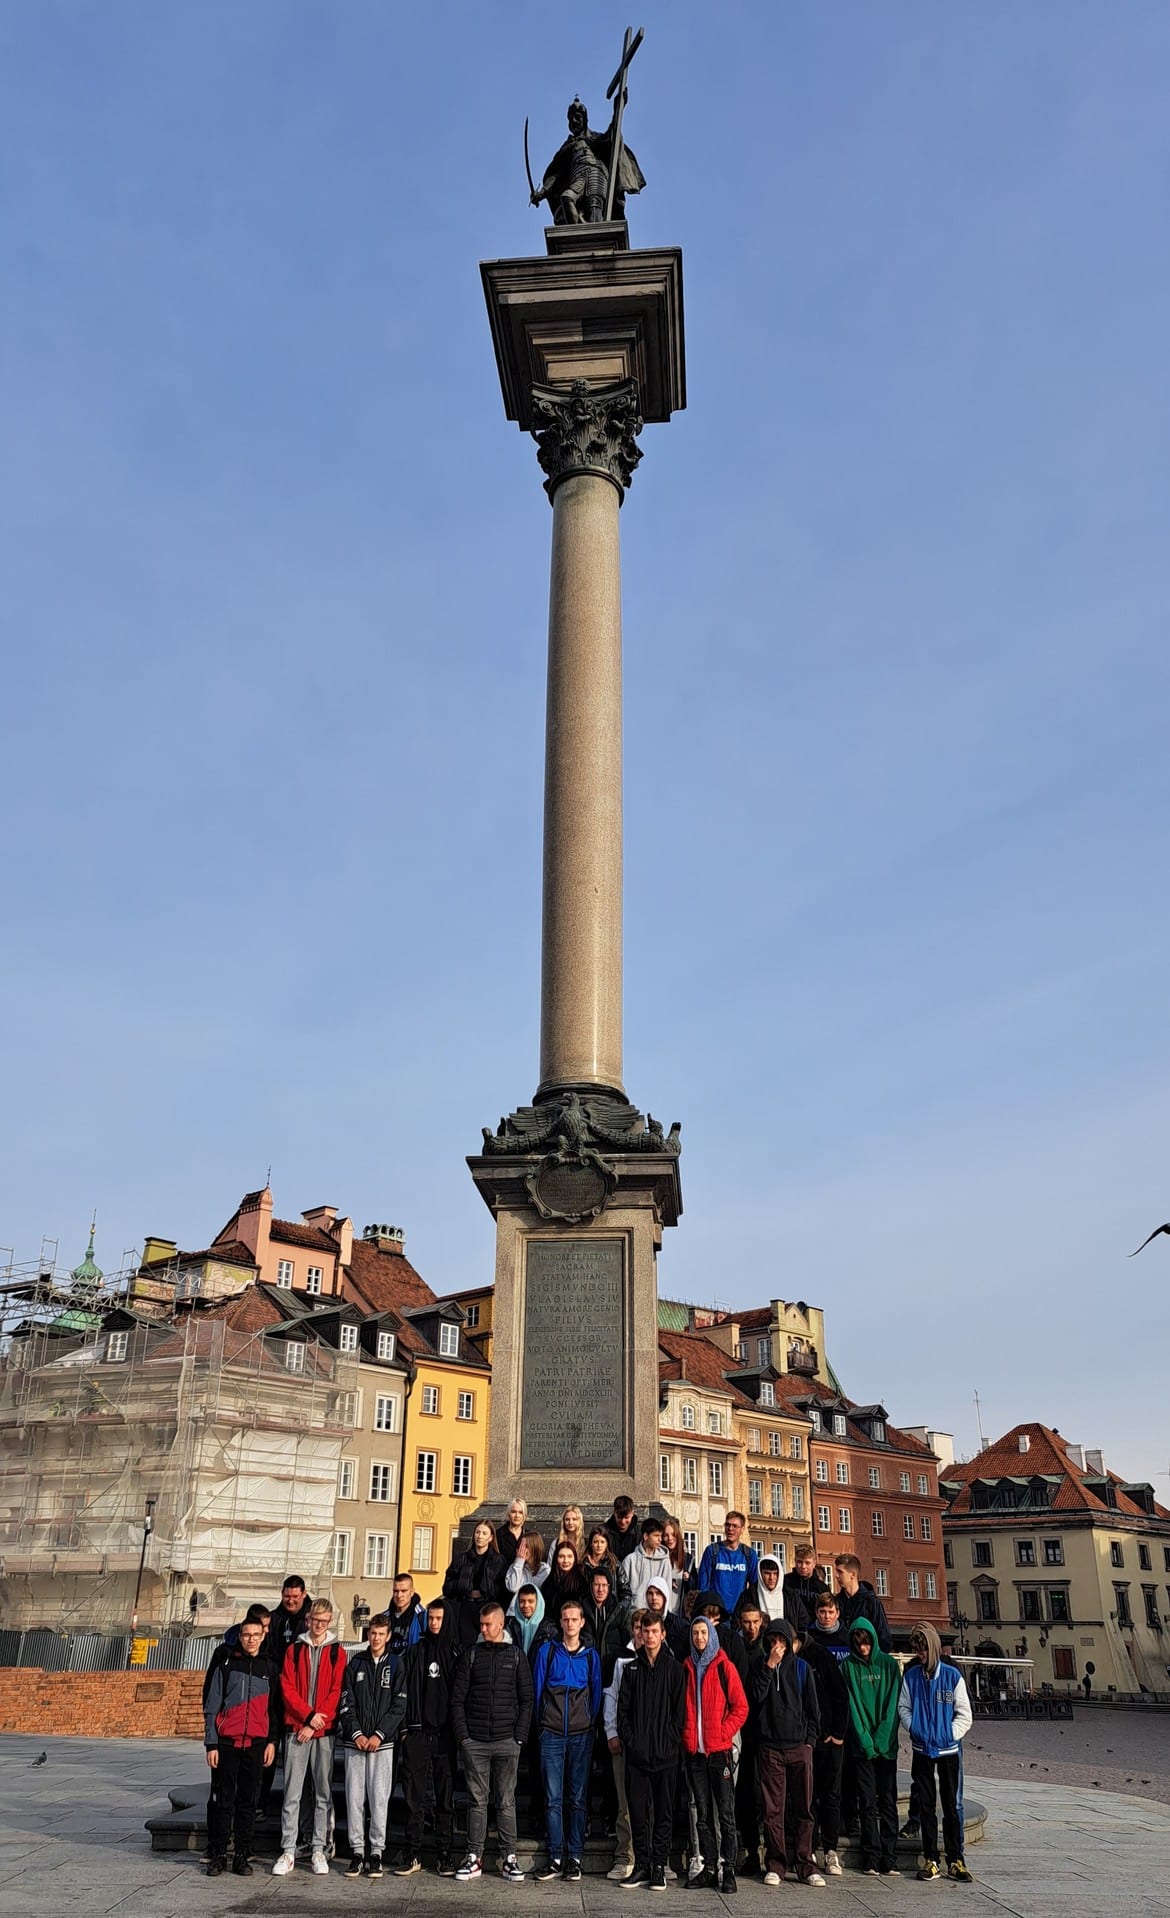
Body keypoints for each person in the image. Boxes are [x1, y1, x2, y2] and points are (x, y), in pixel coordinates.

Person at [450, 1600, 532, 1883]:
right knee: (477, 1801)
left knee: (506, 1801)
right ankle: (474, 1856)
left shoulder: (516, 1656)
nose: (483, 1629)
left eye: (488, 1624)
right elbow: (457, 1699)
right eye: (481, 1625)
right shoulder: (471, 1655)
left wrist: (519, 1737)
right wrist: (463, 1737)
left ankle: (510, 1858)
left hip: (507, 1740)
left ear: (500, 1624)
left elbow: (527, 1699)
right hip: (476, 1741)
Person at [273, 1599, 347, 1877]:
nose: (319, 1625)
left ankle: (319, 1848)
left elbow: (336, 1691)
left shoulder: (337, 1652)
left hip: (323, 1732)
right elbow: (287, 1688)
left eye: (324, 1621)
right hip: (297, 1728)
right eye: (315, 1620)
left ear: (329, 1622)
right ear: (308, 1619)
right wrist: (307, 1717)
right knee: (292, 1792)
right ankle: (288, 1849)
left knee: (322, 1793)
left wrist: (315, 1722)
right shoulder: (294, 1650)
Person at [203, 1615, 279, 1877]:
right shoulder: (226, 1664)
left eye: (256, 1635)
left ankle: (242, 1855)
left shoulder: (269, 1667)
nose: (251, 1639)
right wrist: (211, 1743)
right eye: (246, 1635)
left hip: (256, 1744)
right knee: (223, 1801)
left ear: (263, 1636)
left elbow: (274, 1709)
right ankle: (218, 1853)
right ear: (240, 1635)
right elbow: (212, 1705)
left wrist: (272, 1741)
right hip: (227, 1743)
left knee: (248, 1802)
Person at [533, 1599, 603, 1882]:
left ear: (582, 1622)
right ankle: (555, 1856)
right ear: (560, 1622)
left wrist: (587, 1722)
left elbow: (595, 1694)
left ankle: (574, 1856)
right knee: (552, 1799)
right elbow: (538, 1689)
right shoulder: (547, 1652)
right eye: (566, 1619)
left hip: (581, 1735)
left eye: (575, 1619)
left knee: (577, 1798)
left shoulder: (591, 1656)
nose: (570, 1623)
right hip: (551, 1733)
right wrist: (543, 1723)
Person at [898, 1622, 974, 1883]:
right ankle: (931, 1858)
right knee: (926, 1806)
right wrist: (915, 1728)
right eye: (916, 1651)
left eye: (922, 1650)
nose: (919, 1655)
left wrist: (948, 1734)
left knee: (951, 1806)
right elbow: (904, 1707)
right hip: (922, 1749)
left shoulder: (952, 1677)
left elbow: (964, 1714)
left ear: (932, 1648)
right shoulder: (912, 1677)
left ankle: (956, 1858)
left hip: (948, 1750)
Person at [617, 1611, 687, 1890]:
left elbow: (679, 1715)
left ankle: (659, 1865)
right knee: (637, 1812)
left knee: (663, 1813)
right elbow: (622, 1713)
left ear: (663, 1634)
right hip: (637, 1757)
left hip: (666, 1757)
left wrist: (668, 1742)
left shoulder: (675, 1670)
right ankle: (642, 1864)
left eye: (654, 1631)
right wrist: (632, 1742)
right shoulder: (631, 1670)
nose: (649, 1636)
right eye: (645, 1631)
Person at [753, 1618, 825, 1888]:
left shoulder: (802, 1668)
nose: (777, 1645)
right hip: (771, 1747)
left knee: (803, 1808)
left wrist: (809, 1742)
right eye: (772, 1640)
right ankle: (776, 1864)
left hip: (798, 1747)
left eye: (781, 1640)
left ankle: (806, 1864)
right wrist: (769, 1666)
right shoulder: (761, 1666)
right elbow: (755, 1698)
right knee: (773, 1810)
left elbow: (813, 1709)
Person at [681, 1612, 748, 1892]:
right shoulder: (686, 1667)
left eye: (704, 1633)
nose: (699, 1637)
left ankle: (727, 1869)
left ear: (711, 1635)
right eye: (695, 1633)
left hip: (719, 1752)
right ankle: (709, 1867)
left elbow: (740, 1707)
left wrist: (723, 1733)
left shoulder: (724, 1666)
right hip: (695, 1754)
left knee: (726, 1815)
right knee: (703, 1815)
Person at [336, 1612, 406, 1879]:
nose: (376, 1638)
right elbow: (346, 1702)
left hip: (382, 1745)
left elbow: (399, 1705)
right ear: (368, 1634)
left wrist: (378, 1734)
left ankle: (376, 1852)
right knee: (354, 1798)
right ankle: (357, 1852)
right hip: (355, 1743)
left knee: (379, 1799)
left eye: (380, 1634)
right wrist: (356, 1733)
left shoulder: (397, 1664)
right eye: (372, 1633)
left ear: (388, 1636)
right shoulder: (355, 1663)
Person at [398, 1596, 459, 1876]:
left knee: (445, 1797)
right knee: (415, 1796)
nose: (434, 1623)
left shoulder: (455, 1653)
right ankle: (413, 1852)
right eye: (431, 1618)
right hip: (417, 1732)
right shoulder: (415, 1652)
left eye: (439, 1619)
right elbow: (403, 1691)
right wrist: (405, 1730)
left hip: (445, 1735)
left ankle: (444, 1853)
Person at [841, 1619, 901, 1876]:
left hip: (886, 1747)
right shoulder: (847, 1667)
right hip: (862, 1747)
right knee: (866, 1802)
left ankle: (890, 1856)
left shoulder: (889, 1665)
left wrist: (882, 1738)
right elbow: (852, 1707)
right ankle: (871, 1856)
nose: (863, 1648)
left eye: (866, 1643)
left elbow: (894, 1705)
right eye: (858, 1644)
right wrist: (866, 1740)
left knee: (887, 1801)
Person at [798, 1604, 850, 1878]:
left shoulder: (820, 1655)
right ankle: (810, 1847)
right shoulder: (787, 1658)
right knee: (808, 1796)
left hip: (829, 1740)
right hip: (807, 1739)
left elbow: (840, 1695)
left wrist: (837, 1733)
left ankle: (830, 1850)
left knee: (830, 1795)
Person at [603, 1609, 645, 1882]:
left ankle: (652, 1857)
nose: (642, 1633)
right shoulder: (620, 1659)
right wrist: (611, 1731)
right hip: (623, 1739)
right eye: (638, 1627)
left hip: (651, 1743)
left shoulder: (663, 1658)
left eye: (647, 1627)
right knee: (624, 1803)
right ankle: (625, 1856)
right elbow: (611, 1697)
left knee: (651, 1803)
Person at [734, 1603, 767, 1876]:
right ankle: (751, 1851)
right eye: (746, 1622)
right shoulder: (735, 1648)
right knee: (744, 1792)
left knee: (762, 1793)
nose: (751, 1627)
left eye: (755, 1621)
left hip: (763, 1729)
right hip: (739, 1728)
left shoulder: (766, 1650)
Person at [444, 1521, 506, 1649]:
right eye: (477, 1532)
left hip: (487, 1606)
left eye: (484, 1533)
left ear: (491, 1537)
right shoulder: (462, 1558)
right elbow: (447, 1587)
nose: (480, 1536)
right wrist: (461, 1585)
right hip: (466, 1606)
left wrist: (490, 1590)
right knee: (467, 1645)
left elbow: (503, 1588)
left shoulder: (498, 1560)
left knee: (486, 1644)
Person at [697, 1513, 759, 1618]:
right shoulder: (712, 1551)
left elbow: (755, 1588)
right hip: (716, 1615)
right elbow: (703, 1585)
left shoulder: (749, 1555)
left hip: (739, 1615)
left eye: (735, 1526)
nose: (730, 1529)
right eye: (728, 1525)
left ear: (742, 1529)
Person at [832, 1555, 893, 1652]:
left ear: (852, 1574)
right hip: (841, 1656)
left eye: (840, 1572)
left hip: (866, 1658)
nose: (836, 1575)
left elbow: (884, 1638)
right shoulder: (836, 1602)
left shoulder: (871, 1602)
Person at [619, 1515, 672, 1609]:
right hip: (634, 1614)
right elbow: (622, 1592)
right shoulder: (630, 1561)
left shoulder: (664, 1561)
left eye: (660, 1536)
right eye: (656, 1536)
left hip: (657, 1615)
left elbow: (667, 1593)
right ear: (645, 1536)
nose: (660, 1539)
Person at [542, 1539, 590, 1621]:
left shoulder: (581, 1581)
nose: (565, 1561)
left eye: (569, 1556)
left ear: (574, 1558)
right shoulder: (549, 1582)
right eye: (561, 1557)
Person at [782, 1544, 828, 1628]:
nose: (803, 1566)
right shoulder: (784, 1582)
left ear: (814, 1563)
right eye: (799, 1562)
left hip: (814, 1630)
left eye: (807, 1563)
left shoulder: (822, 1588)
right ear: (795, 1561)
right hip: (790, 1628)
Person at [270, 1575, 312, 1658]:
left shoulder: (313, 1619)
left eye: (295, 1596)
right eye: (287, 1596)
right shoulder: (272, 1619)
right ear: (282, 1593)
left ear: (304, 1594)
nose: (290, 1601)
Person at [386, 1573, 426, 1655]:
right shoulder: (384, 1618)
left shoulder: (423, 1617)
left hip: (413, 1662)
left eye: (404, 1591)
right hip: (390, 1662)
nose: (399, 1595)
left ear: (412, 1592)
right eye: (396, 1591)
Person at [661, 1518, 695, 1612]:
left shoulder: (687, 1559)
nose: (670, 1538)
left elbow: (694, 1588)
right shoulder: (659, 1558)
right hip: (662, 1611)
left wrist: (688, 1579)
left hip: (680, 1612)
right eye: (666, 1535)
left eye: (673, 1534)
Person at [506, 1581, 547, 1657]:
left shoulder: (548, 1630)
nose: (526, 1605)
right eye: (522, 1601)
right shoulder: (510, 1626)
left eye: (530, 1601)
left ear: (538, 1603)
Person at [605, 1495, 642, 1565]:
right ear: (614, 1513)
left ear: (632, 1513)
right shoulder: (604, 1531)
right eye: (619, 1517)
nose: (623, 1522)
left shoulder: (640, 1533)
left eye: (626, 1517)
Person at [497, 1498, 529, 1568]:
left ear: (524, 1515)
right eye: (513, 1512)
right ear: (508, 1514)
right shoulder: (498, 1535)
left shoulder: (529, 1536)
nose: (517, 1515)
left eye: (520, 1512)